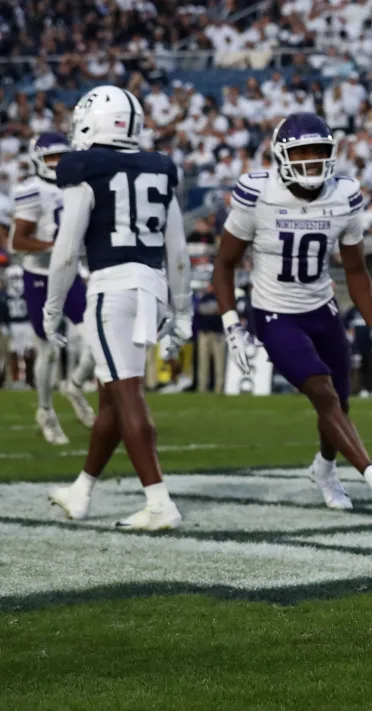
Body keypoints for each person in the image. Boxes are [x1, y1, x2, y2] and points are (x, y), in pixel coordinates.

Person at [213, 112, 372, 513]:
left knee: (339, 402)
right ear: (281, 156)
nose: (312, 161)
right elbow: (224, 264)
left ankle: (324, 468)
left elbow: (355, 269)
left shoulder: (344, 196)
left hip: (321, 307)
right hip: (273, 312)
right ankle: (371, 474)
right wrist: (232, 324)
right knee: (321, 390)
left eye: (320, 152)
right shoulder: (257, 193)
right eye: (302, 152)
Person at [44, 86, 191, 530]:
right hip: (152, 286)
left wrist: (52, 307)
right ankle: (82, 491)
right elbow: (179, 252)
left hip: (112, 287)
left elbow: (67, 250)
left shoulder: (84, 167)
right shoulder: (160, 168)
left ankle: (159, 501)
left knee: (126, 393)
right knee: (111, 395)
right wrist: (181, 309)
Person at [11, 132, 97, 443]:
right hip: (39, 277)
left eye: (61, 156)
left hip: (70, 273)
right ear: (37, 160)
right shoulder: (31, 190)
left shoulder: (79, 187)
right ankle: (45, 410)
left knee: (94, 340)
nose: (56, 163)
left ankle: (73, 385)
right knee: (47, 350)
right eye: (50, 157)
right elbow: (17, 241)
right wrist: (55, 245)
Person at [193, 283, 226, 393]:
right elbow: (200, 309)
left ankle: (219, 387)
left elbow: (224, 310)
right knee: (203, 362)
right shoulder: (205, 297)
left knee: (219, 363)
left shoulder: (223, 297)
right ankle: (202, 387)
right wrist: (214, 309)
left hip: (218, 333)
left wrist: (211, 309)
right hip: (205, 333)